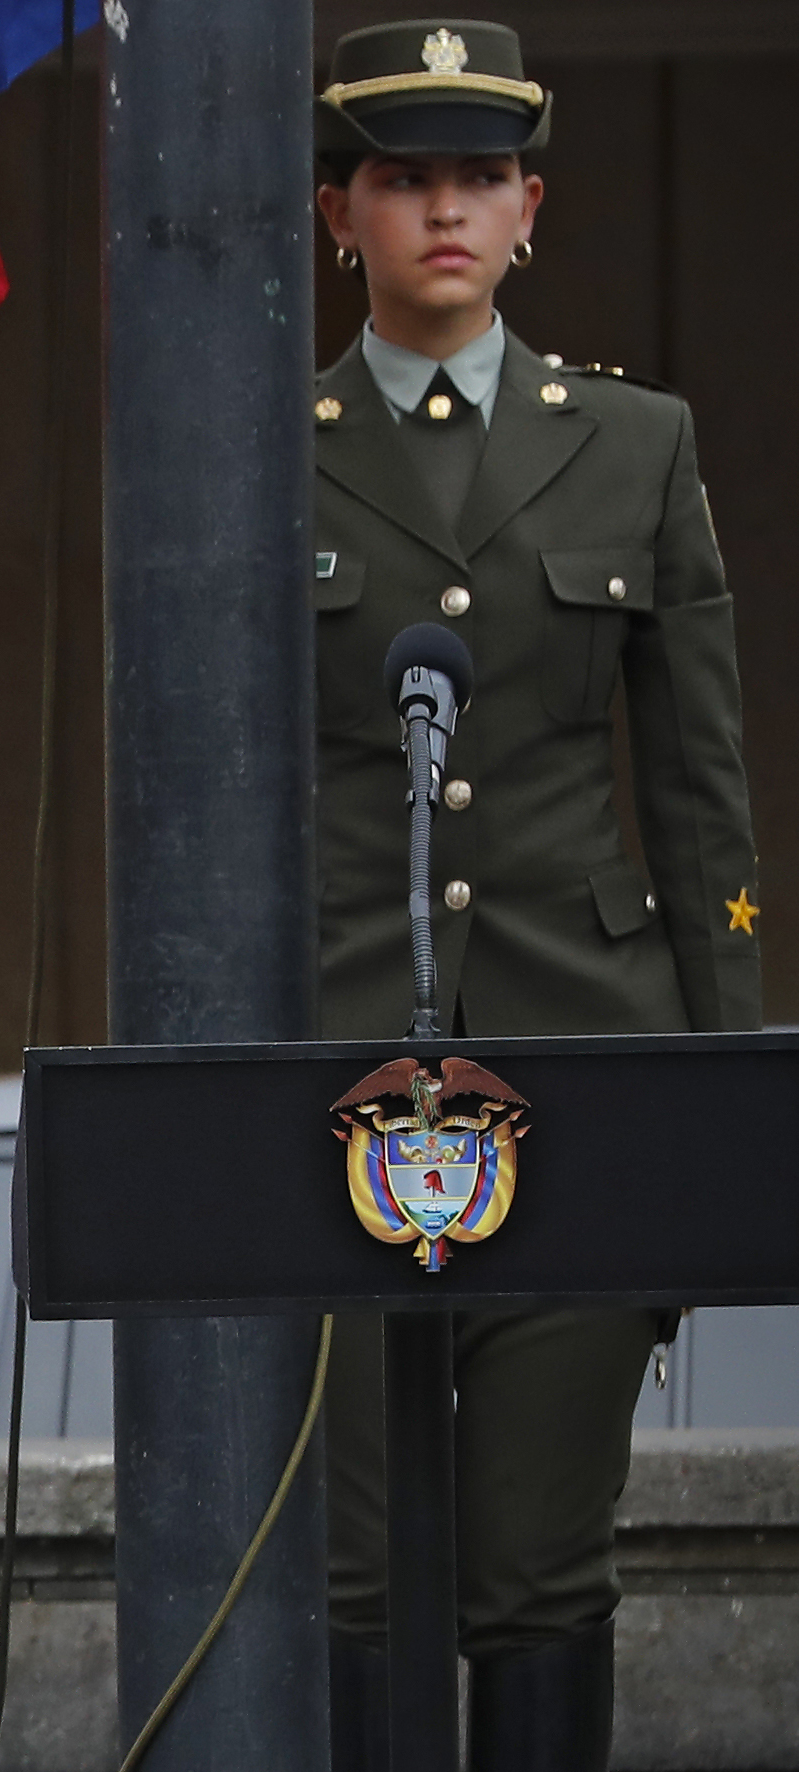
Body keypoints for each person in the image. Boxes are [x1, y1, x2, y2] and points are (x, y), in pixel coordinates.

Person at [309, 21, 761, 1767]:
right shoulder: (269, 445)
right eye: (405, 178)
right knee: (350, 1576)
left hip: (584, 1059)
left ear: (527, 211)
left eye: (476, 179)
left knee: (540, 1574)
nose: (444, 210)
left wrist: (719, 1107)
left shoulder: (635, 446)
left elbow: (700, 806)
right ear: (340, 212)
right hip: (336, 1066)